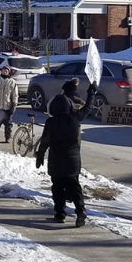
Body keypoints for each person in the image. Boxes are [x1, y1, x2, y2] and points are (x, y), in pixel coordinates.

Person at [35, 80, 97, 227]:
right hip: (72, 159)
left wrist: (40, 155)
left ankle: (59, 213)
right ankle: (80, 213)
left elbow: (45, 141)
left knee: (57, 187)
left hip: (56, 159)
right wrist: (91, 92)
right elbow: (88, 107)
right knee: (74, 187)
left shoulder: (51, 122)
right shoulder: (74, 118)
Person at [0, 65, 19, 142]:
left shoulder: (12, 82)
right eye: (3, 70)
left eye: (6, 70)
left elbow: (15, 95)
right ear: (1, 71)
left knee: (8, 124)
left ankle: (7, 137)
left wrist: (14, 104)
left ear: (9, 72)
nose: (5, 71)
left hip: (7, 107)